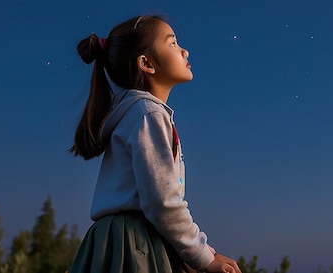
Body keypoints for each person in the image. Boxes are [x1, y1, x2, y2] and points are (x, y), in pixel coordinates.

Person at [69, 15, 241, 273]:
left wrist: (202, 253)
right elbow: (163, 203)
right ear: (146, 63)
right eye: (172, 43)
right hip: (135, 247)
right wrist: (204, 258)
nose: (184, 50)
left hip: (114, 242)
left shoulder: (137, 113)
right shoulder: (149, 114)